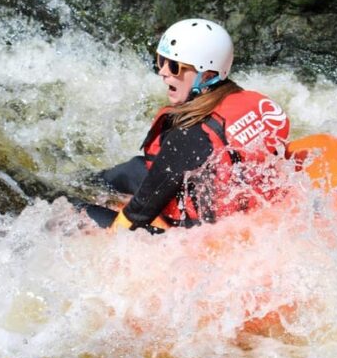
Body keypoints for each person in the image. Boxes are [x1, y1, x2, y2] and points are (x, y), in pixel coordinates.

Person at [102, 18, 291, 231]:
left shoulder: (188, 135)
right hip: (234, 201)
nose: (163, 72)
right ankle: (84, 182)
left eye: (174, 66)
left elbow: (138, 214)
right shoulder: (258, 104)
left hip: (193, 232)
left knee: (75, 208)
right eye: (161, 60)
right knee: (128, 170)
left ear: (207, 76)